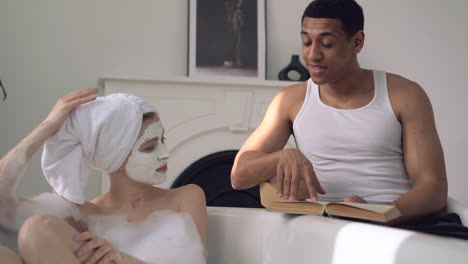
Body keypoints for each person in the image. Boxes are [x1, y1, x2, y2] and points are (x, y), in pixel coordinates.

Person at [231, 0, 457, 230]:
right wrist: (280, 157)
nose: (313, 54)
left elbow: (433, 188)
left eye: (327, 44)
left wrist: (375, 215)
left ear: (357, 42)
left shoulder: (404, 94)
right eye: (306, 42)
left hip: (394, 224)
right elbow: (239, 176)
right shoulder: (290, 100)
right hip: (323, 227)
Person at [0, 89, 207, 263]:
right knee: (25, 238)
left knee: (36, 229)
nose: (165, 153)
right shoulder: (85, 215)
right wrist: (47, 127)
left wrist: (123, 258)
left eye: (163, 140)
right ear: (114, 158)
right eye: (150, 147)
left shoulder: (187, 196)